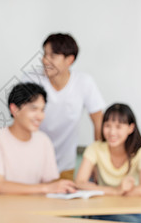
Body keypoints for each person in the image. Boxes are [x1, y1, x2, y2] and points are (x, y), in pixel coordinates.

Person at [0, 82, 77, 223]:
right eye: (34, 108)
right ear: (14, 109)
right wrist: (46, 187)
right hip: (3, 217)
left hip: (38, 214)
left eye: (42, 109)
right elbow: (0, 186)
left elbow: (51, 181)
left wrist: (61, 187)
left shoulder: (43, 140)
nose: (40, 116)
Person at [27, 33, 105, 180]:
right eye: (45, 54)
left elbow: (98, 122)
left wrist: (97, 161)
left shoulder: (84, 83)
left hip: (65, 166)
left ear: (70, 60)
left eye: (53, 56)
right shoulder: (31, 79)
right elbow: (20, 120)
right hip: (32, 164)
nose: (45, 60)